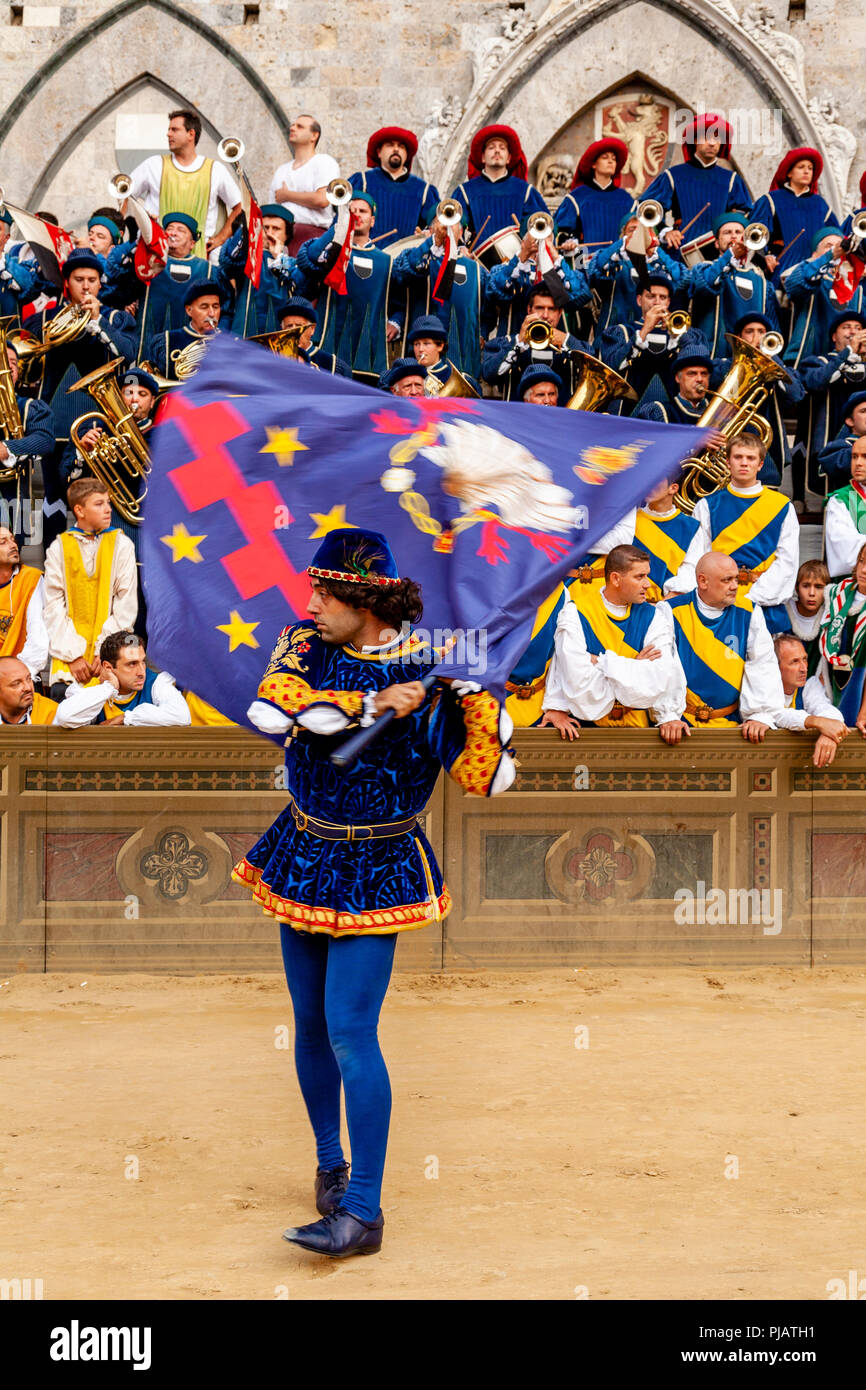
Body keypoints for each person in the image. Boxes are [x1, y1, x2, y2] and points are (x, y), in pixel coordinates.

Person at [231, 527, 515, 1257]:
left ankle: (363, 1212)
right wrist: (368, 703)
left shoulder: (433, 673)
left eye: (326, 591)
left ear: (365, 600)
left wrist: (478, 699)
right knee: (310, 1023)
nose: (312, 601)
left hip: (377, 865)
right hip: (304, 845)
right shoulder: (305, 643)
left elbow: (482, 777)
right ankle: (332, 1167)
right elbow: (278, 702)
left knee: (352, 1031)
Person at [14, 249, 137, 549]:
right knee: (53, 503)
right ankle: (51, 565)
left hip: (97, 423)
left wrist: (98, 323)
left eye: (92, 280)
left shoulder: (115, 317)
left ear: (100, 284)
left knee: (94, 502)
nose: (85, 286)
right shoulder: (43, 318)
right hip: (52, 424)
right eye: (79, 279)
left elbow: (128, 354)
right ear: (67, 283)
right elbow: (24, 369)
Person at [540, 544, 679, 737]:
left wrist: (601, 661)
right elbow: (579, 683)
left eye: (647, 575)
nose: (648, 584)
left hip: (639, 728)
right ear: (615, 579)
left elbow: (658, 679)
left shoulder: (654, 616)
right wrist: (635, 666)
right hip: (585, 730)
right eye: (639, 577)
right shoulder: (577, 613)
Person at [654, 551, 785, 740]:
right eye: (726, 580)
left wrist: (760, 715)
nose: (735, 586)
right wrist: (668, 715)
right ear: (703, 581)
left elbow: (762, 664)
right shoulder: (670, 611)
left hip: (733, 726)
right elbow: (662, 665)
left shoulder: (749, 611)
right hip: (680, 725)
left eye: (736, 579)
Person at [670, 434, 799, 618]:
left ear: (760, 464)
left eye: (751, 458)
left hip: (765, 605)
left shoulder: (783, 506)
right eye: (738, 457)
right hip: (716, 604)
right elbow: (697, 558)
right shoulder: (707, 505)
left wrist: (751, 598)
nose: (744, 463)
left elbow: (787, 562)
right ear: (728, 462)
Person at [42, 480, 137, 700]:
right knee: (63, 702)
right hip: (69, 662)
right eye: (99, 504)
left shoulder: (122, 544)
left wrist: (105, 651)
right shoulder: (59, 547)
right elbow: (53, 607)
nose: (108, 509)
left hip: (110, 657)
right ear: (79, 510)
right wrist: (73, 656)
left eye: (108, 503)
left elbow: (126, 604)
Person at [297, 193, 395, 383]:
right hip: (330, 340)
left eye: (362, 211)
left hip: (369, 349)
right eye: (352, 210)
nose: (357, 214)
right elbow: (309, 257)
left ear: (372, 220)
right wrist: (338, 229)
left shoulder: (387, 261)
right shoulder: (333, 252)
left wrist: (395, 322)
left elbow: (399, 299)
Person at [126, 108, 242, 258]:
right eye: (169, 130)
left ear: (191, 134)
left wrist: (220, 238)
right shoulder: (153, 164)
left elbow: (240, 207)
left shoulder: (215, 169)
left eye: (174, 129)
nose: (168, 134)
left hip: (201, 254)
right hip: (157, 253)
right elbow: (125, 196)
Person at [102, 211, 218, 356]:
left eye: (181, 230)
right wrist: (137, 241)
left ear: (192, 243)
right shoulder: (149, 261)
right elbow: (114, 269)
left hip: (192, 352)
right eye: (169, 229)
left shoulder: (207, 270)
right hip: (147, 346)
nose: (173, 233)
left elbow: (224, 308)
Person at [707, 313, 803, 487]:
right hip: (724, 446)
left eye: (762, 332)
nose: (757, 337)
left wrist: (773, 359)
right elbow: (712, 380)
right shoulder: (721, 365)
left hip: (766, 452)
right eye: (750, 332)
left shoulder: (778, 369)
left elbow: (795, 395)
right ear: (739, 337)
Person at [391, 208, 488, 378]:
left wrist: (482, 334)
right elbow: (401, 273)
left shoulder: (475, 269)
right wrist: (433, 242)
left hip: (462, 357)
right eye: (439, 222)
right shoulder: (418, 257)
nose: (446, 227)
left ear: (462, 231)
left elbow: (489, 307)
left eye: (452, 222)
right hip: (422, 358)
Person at [642, 114, 752, 252]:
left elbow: (745, 214)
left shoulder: (731, 179)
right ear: (694, 140)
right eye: (706, 137)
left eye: (717, 138)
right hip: (680, 248)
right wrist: (665, 231)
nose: (712, 143)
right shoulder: (673, 175)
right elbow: (647, 207)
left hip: (719, 253)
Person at [481, 285, 593, 402]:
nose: (545, 315)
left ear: (560, 313)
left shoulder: (570, 344)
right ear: (529, 310)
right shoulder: (508, 342)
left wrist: (567, 341)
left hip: (561, 418)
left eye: (551, 309)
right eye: (539, 308)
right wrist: (518, 342)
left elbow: (593, 370)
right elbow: (489, 375)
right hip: (516, 418)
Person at [688, 214, 781, 355]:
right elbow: (704, 286)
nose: (733, 236)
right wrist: (730, 256)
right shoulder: (704, 268)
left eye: (738, 232)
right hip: (714, 355)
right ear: (716, 243)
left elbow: (772, 326)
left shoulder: (760, 280)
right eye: (727, 232)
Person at [796, 311, 866, 495]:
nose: (854, 332)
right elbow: (815, 382)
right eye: (847, 327)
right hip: (826, 440)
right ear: (834, 336)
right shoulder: (817, 361)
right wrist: (848, 352)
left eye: (859, 328)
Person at [60, 629, 191, 726]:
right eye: (132, 664)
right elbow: (65, 717)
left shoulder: (156, 682)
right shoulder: (95, 690)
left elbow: (182, 716)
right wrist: (108, 688)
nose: (141, 672)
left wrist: (126, 718)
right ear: (108, 667)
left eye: (142, 662)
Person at [450, 125, 546, 253]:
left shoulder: (525, 191)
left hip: (518, 260)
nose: (497, 151)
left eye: (502, 148)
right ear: (483, 157)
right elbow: (455, 224)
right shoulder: (465, 191)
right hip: (476, 261)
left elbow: (546, 224)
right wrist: (461, 246)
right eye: (491, 147)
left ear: (509, 158)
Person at [0, 341, 56, 547]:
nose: (8, 366)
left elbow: (45, 440)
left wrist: (7, 449)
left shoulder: (31, 407)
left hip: (13, 502)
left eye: (13, 362)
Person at [782, 227, 862, 370]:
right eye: (828, 246)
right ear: (814, 255)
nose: (838, 249)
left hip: (846, 366)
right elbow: (793, 285)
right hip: (805, 364)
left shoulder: (857, 290)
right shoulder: (806, 276)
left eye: (840, 245)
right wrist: (830, 256)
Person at [751, 148, 833, 283]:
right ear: (789, 172)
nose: (807, 171)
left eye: (810, 168)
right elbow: (755, 235)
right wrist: (766, 256)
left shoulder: (820, 205)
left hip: (812, 270)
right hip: (780, 267)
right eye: (801, 167)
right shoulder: (771, 200)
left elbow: (835, 236)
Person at [349, 127, 438, 250]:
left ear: (407, 155)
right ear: (379, 152)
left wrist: (426, 234)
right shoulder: (363, 181)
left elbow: (435, 226)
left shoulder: (424, 190)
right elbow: (343, 219)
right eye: (390, 145)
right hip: (366, 253)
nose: (396, 149)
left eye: (401, 146)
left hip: (405, 260)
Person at [220, 204, 298, 338]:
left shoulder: (293, 263)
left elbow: (293, 284)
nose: (269, 233)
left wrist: (278, 257)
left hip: (279, 339)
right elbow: (228, 261)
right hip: (245, 334)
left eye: (276, 229)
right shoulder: (247, 258)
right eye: (265, 227)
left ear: (287, 235)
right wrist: (246, 227)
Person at [772, 632, 847, 767]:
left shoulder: (810, 684)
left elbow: (826, 708)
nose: (804, 668)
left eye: (804, 659)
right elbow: (776, 714)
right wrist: (817, 722)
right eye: (795, 661)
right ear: (775, 666)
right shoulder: (764, 688)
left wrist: (829, 733)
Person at [269, 115, 340, 256]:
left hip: (312, 238)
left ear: (314, 135)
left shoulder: (324, 162)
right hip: (281, 237)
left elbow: (322, 199)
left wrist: (287, 195)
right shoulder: (281, 170)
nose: (292, 128)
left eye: (300, 126)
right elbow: (273, 211)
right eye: (293, 125)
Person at [554, 138, 635, 253]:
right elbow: (560, 231)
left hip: (620, 265)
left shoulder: (627, 200)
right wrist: (568, 242)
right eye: (605, 157)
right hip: (583, 265)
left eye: (614, 159)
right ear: (593, 164)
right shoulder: (577, 198)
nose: (611, 161)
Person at [818, 540, 866, 728]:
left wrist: (864, 712)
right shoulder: (837, 594)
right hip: (827, 685)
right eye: (862, 561)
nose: (863, 570)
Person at [632, 476, 700, 602]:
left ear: (673, 488)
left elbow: (689, 574)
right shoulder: (631, 519)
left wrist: (661, 606)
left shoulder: (691, 527)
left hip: (666, 607)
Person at [0, 654, 114, 727]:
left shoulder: (50, 712)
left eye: (29, 679)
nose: (28, 687)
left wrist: (110, 686)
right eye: (16, 683)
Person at [144, 279, 223, 382]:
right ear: (189, 310)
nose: (212, 314)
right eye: (204, 307)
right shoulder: (166, 341)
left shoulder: (229, 343)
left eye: (215, 307)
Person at [763, 559, 829, 676]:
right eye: (806, 586)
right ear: (797, 587)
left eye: (819, 587)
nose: (812, 593)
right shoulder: (780, 613)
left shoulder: (829, 619)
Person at [0, 525, 47, 678]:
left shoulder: (31, 579)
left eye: (13, 540)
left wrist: (15, 676)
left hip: (17, 677)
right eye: (3, 542)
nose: (13, 545)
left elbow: (38, 639)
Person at [271, 298, 351, 376]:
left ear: (312, 329)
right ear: (282, 329)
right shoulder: (272, 361)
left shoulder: (333, 366)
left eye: (299, 326)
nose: (294, 332)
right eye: (289, 326)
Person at [825, 435, 866, 578]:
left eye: (865, 457)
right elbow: (845, 553)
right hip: (854, 589)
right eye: (854, 457)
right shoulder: (841, 500)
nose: (858, 463)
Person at [404, 314, 478, 394]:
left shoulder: (457, 378)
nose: (420, 349)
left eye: (426, 343)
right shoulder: (407, 374)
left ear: (440, 346)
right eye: (416, 344)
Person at [816, 390, 866, 493]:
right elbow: (836, 464)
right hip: (852, 505)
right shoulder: (838, 448)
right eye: (864, 411)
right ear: (850, 421)